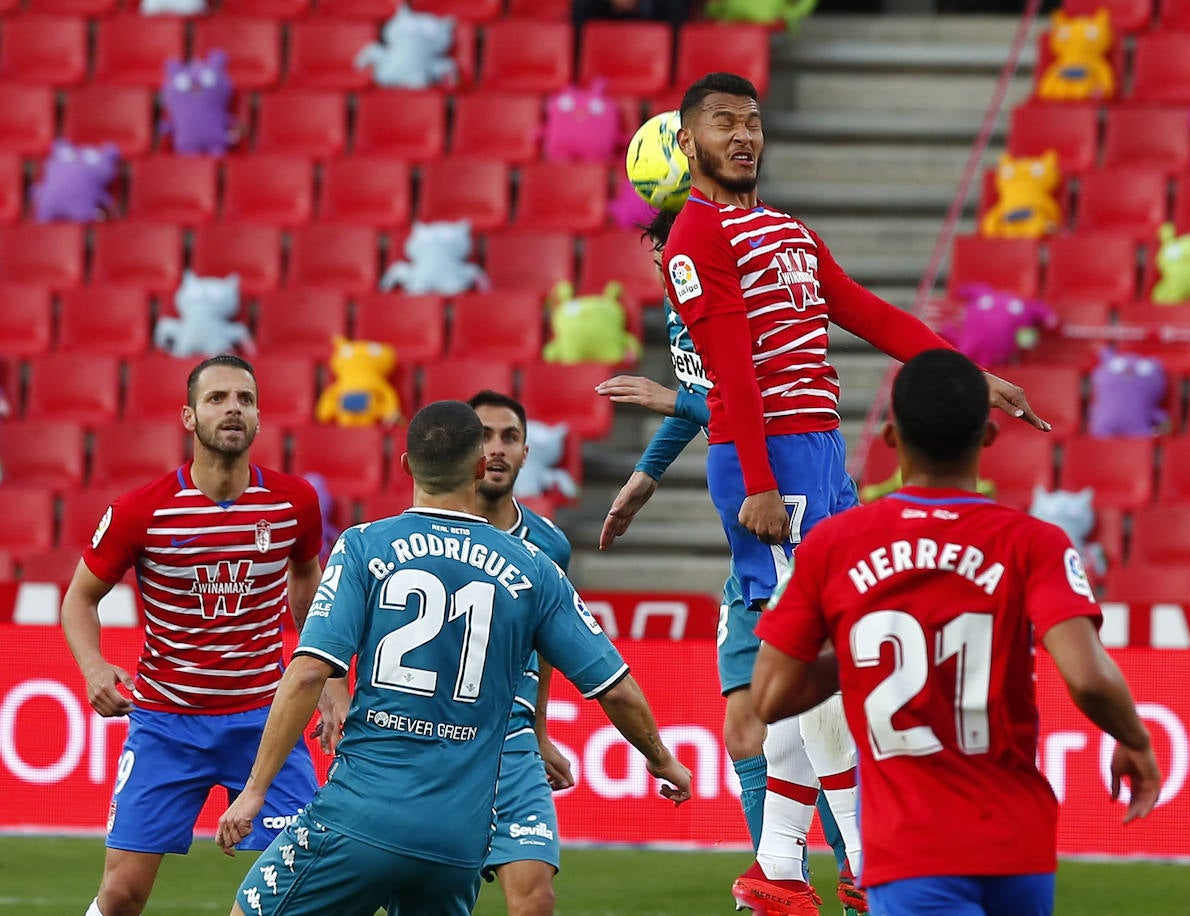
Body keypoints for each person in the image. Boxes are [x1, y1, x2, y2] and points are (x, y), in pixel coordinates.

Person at [659, 70, 1050, 911]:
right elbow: (731, 369)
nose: (743, 135)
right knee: (822, 655)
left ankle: (779, 869)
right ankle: (869, 863)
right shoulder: (696, 238)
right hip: (770, 460)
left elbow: (867, 313)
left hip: (819, 453)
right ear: (687, 141)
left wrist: (966, 374)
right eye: (723, 122)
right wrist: (759, 484)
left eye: (752, 121)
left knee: (823, 652)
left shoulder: (786, 231)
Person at [216, 399, 694, 916]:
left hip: (360, 815)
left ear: (405, 465)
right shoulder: (534, 568)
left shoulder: (363, 546)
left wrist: (255, 790)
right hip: (457, 840)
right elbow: (616, 689)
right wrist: (661, 759)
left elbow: (309, 670)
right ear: (478, 467)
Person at [752, 349, 1161, 916]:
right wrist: (1135, 740)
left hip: (909, 847)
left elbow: (771, 696)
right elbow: (1089, 678)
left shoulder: (832, 547)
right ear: (988, 436)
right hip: (1017, 844)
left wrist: (861, 653)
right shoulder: (1036, 543)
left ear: (891, 437)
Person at [60, 354, 348, 916]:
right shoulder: (140, 511)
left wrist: (330, 680)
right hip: (166, 724)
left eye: (244, 399)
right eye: (217, 398)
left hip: (265, 720)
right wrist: (93, 667)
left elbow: (308, 583)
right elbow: (79, 599)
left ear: (259, 417)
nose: (232, 408)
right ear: (189, 417)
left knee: (303, 883)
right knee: (120, 895)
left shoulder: (293, 502)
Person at [597, 312, 863, 916]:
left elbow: (757, 413)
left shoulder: (747, 303)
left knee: (816, 711)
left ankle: (858, 869)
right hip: (752, 556)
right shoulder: (686, 305)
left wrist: (676, 403)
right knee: (747, 729)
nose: (666, 272)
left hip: (799, 523)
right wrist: (648, 471)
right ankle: (782, 878)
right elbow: (704, 396)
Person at [467, 389, 577, 916]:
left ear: (526, 452)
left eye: (509, 437)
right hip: (435, 739)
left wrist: (540, 730)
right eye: (483, 436)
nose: (496, 448)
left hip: (510, 740)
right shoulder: (419, 528)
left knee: (536, 896)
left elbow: (546, 643)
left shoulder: (550, 546)